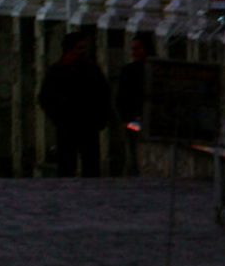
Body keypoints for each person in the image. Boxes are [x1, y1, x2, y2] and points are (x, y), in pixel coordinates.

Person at [39, 29, 111, 177]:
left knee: (91, 166)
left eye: (84, 48)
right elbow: (45, 98)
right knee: (66, 165)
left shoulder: (91, 69)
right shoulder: (57, 71)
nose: (83, 52)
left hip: (88, 124)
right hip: (67, 125)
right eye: (79, 48)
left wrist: (100, 118)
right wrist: (58, 117)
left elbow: (103, 94)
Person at [116, 35, 152, 177]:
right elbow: (122, 97)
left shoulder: (151, 69)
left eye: (137, 48)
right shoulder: (128, 70)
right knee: (134, 149)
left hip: (150, 118)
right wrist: (126, 118)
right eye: (133, 49)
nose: (134, 52)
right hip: (134, 119)